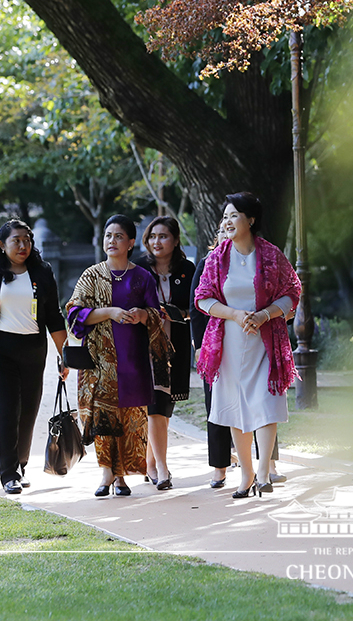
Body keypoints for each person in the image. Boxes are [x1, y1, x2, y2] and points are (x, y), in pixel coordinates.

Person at [194, 192, 300, 499]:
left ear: (250, 220)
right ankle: (246, 474)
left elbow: (292, 291)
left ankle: (264, 471)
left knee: (266, 403)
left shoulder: (270, 255)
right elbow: (203, 298)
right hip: (228, 339)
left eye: (234, 216)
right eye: (225, 217)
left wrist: (265, 315)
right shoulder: (216, 258)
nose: (227, 222)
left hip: (265, 340)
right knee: (234, 407)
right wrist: (235, 314)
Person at [67, 215, 174, 497]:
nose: (111, 241)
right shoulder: (91, 276)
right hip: (100, 362)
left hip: (134, 359)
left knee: (130, 418)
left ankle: (122, 476)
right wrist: (109, 312)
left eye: (118, 236)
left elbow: (156, 315)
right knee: (104, 417)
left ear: (129, 243)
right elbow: (74, 312)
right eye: (107, 236)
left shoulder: (142, 277)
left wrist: (142, 315)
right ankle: (107, 474)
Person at [0, 220, 68, 494]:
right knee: (7, 410)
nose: (23, 246)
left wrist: (64, 354)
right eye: (16, 240)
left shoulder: (42, 272)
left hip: (33, 349)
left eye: (27, 240)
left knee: (29, 411)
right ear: (2, 245)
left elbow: (54, 317)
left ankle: (20, 465)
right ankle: (7, 474)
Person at [138, 216, 194, 491]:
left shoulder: (187, 269)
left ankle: (149, 464)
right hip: (146, 348)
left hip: (177, 347)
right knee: (155, 407)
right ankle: (162, 468)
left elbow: (195, 307)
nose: (156, 242)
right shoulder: (137, 268)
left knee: (164, 409)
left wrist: (174, 312)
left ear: (174, 240)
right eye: (152, 237)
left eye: (163, 236)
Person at [190, 222, 233, 489]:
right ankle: (220, 467)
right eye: (221, 230)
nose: (226, 234)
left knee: (259, 402)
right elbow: (196, 308)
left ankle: (267, 465)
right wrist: (198, 346)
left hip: (250, 342)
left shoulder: (256, 261)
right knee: (216, 406)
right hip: (214, 346)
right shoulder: (207, 263)